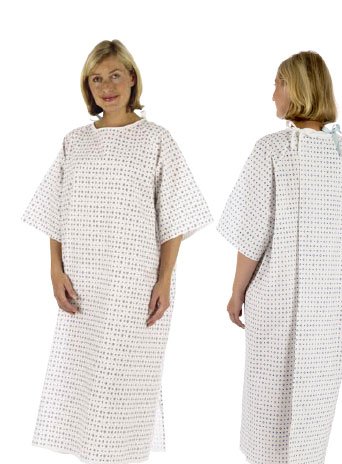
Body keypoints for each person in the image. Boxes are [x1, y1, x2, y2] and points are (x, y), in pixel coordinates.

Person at [21, 39, 213, 463]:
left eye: (114, 76)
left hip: (134, 284)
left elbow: (175, 217)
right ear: (87, 87)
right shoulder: (74, 142)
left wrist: (164, 279)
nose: (106, 87)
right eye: (96, 79)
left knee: (125, 386)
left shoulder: (156, 139)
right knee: (84, 384)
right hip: (83, 285)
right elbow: (55, 211)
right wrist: (55, 271)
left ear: (132, 79)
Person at [216, 50, 342, 464]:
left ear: (297, 89)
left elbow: (252, 234)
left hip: (277, 301)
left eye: (278, 83)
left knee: (268, 402)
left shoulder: (271, 150)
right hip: (329, 307)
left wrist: (236, 292)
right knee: (313, 402)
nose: (272, 93)